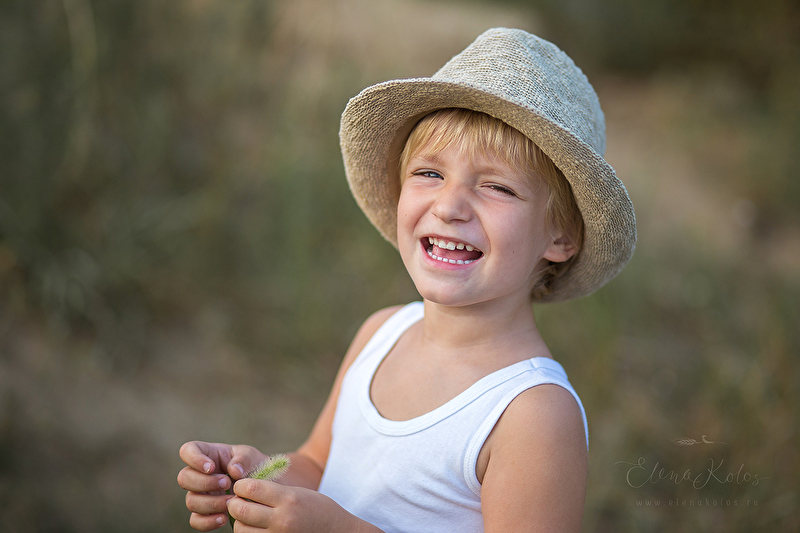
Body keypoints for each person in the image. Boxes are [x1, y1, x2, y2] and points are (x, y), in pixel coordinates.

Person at [177, 27, 636, 533]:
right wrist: (257, 482)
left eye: (498, 187)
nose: (450, 206)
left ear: (561, 237)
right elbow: (319, 464)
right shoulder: (380, 333)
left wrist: (340, 530)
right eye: (429, 174)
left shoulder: (532, 413)